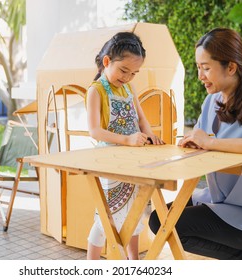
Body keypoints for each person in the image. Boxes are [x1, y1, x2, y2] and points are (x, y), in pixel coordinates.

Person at [148, 27, 242, 260]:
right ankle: (238, 257)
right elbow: (204, 140)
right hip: (222, 200)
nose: (200, 76)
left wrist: (212, 144)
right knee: (159, 218)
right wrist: (194, 144)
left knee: (169, 224)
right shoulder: (211, 101)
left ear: (231, 67)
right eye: (198, 68)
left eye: (206, 68)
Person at [85, 31, 164, 260]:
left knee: (135, 212)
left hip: (133, 161)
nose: (128, 77)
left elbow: (141, 119)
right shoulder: (96, 90)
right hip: (109, 162)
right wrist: (128, 139)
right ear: (107, 61)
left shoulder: (129, 89)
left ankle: (133, 261)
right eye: (124, 71)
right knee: (106, 217)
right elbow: (94, 131)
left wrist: (151, 136)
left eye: (133, 73)